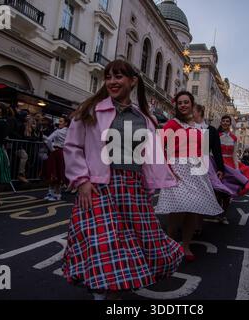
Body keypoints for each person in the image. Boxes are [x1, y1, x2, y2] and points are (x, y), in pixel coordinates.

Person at [62, 59, 184, 300]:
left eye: (118, 77)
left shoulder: (145, 118)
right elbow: (72, 146)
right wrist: (82, 180)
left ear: (132, 81)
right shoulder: (90, 110)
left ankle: (117, 289)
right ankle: (104, 292)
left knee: (135, 243)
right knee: (103, 244)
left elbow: (149, 156)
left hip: (133, 188)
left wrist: (154, 184)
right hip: (99, 187)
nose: (112, 82)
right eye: (108, 77)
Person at [155, 91, 223, 261]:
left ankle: (185, 246)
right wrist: (167, 170)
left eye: (186, 102)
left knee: (193, 210)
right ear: (176, 106)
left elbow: (204, 151)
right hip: (177, 169)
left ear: (192, 105)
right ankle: (170, 245)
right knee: (177, 211)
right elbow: (158, 147)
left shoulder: (199, 127)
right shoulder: (172, 124)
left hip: (196, 171)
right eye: (180, 103)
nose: (183, 105)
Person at [218, 115, 249, 196]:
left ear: (230, 123)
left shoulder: (234, 138)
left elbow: (234, 154)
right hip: (219, 161)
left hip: (230, 163)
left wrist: (237, 168)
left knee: (230, 184)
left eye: (227, 121)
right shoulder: (217, 135)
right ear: (221, 122)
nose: (225, 123)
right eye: (223, 121)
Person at [43, 115, 70, 201]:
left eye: (61, 121)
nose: (59, 123)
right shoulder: (69, 132)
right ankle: (56, 193)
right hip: (63, 153)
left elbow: (48, 140)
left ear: (66, 123)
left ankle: (53, 193)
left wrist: (52, 149)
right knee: (59, 172)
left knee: (53, 172)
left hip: (56, 152)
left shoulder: (58, 131)